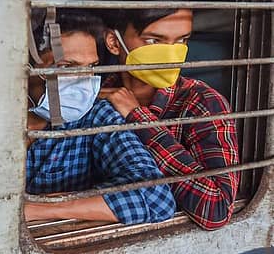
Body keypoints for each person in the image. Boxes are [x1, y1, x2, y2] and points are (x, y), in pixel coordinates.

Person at [25, 11, 176, 224]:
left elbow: (156, 200)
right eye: (66, 66)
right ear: (26, 67)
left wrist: (36, 209)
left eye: (91, 67)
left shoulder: (97, 116)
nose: (84, 80)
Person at [100, 5, 240, 229]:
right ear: (114, 42)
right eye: (154, 41)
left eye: (182, 40)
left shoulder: (202, 102)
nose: (171, 53)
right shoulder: (95, 95)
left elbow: (216, 210)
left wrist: (138, 118)